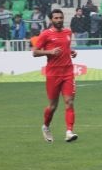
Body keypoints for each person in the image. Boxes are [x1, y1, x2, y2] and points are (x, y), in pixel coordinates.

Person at [32, 9, 79, 143]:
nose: (59, 20)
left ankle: (69, 132)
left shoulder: (68, 32)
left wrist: (72, 52)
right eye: (56, 18)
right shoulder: (46, 34)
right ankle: (46, 127)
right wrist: (50, 51)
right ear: (51, 20)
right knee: (53, 106)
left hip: (68, 73)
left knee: (69, 102)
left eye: (60, 18)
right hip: (53, 74)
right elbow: (34, 52)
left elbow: (65, 48)